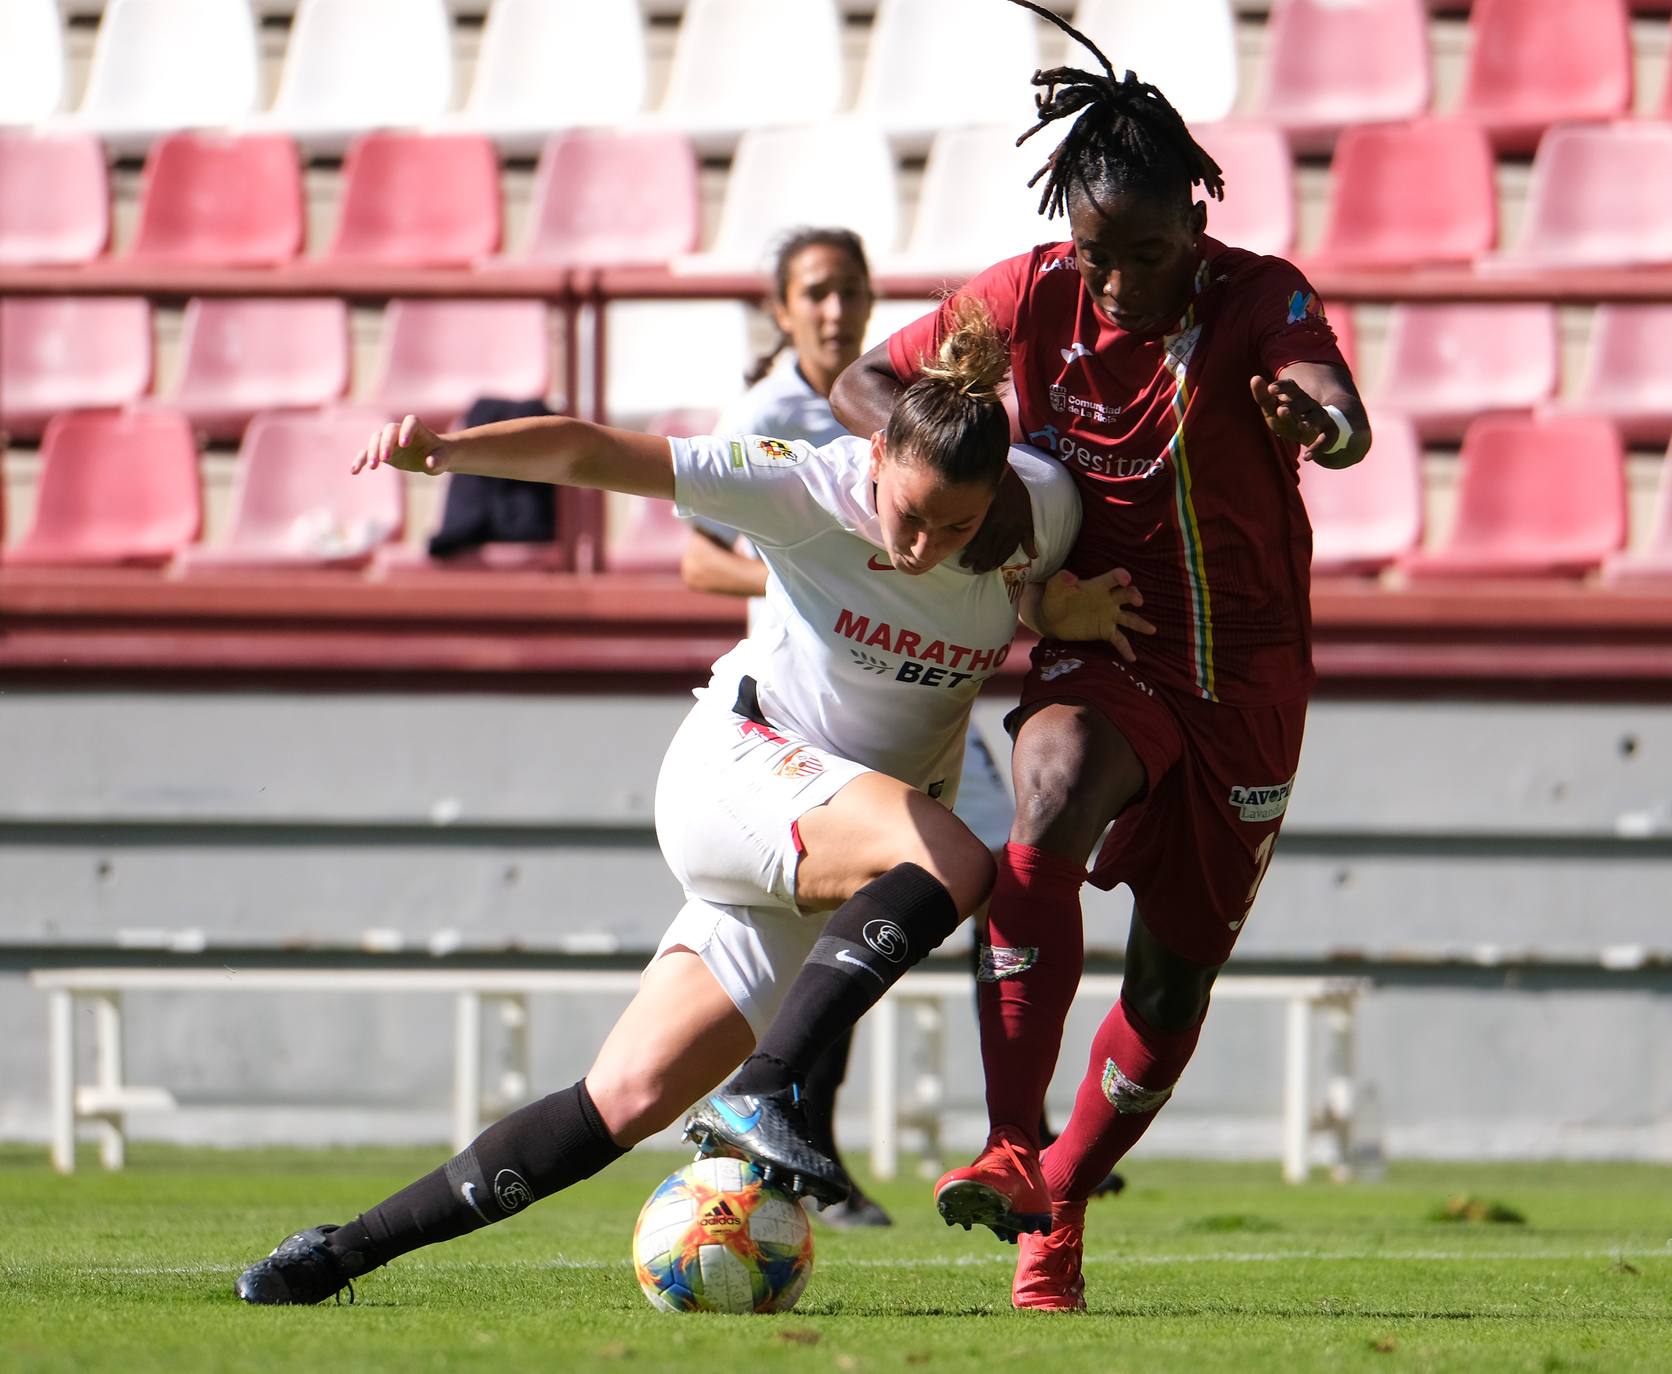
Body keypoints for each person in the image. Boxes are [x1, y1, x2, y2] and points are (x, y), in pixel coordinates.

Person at [233, 303, 1151, 1306]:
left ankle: (335, 1256)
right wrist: (448, 451)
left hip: (816, 849)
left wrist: (1048, 608)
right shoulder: (804, 485)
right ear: (875, 453)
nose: (925, 544)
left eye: (956, 527)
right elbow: (598, 454)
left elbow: (1026, 584)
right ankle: (766, 1090)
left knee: (621, 1099)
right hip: (737, 774)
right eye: (909, 515)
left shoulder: (1043, 509)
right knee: (955, 863)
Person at [829, 0, 1373, 1311]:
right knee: (1051, 786)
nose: (1117, 281)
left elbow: (1343, 411)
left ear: (1198, 213)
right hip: (1105, 645)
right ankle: (1012, 1141)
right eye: (1099, 250)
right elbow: (860, 377)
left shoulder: (1260, 297)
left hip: (1248, 677)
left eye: (1143, 251)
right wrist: (937, 446)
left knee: (1174, 977)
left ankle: (1061, 1192)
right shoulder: (1032, 293)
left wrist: (1327, 423)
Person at [680, 226, 1024, 1228]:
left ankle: (1012, 1129)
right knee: (877, 898)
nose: (835, 311)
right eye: (815, 294)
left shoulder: (916, 407)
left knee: (997, 874)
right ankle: (794, 1130)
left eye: (851, 292)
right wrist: (831, 560)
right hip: (810, 710)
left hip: (924, 695)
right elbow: (700, 564)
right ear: (781, 311)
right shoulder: (767, 413)